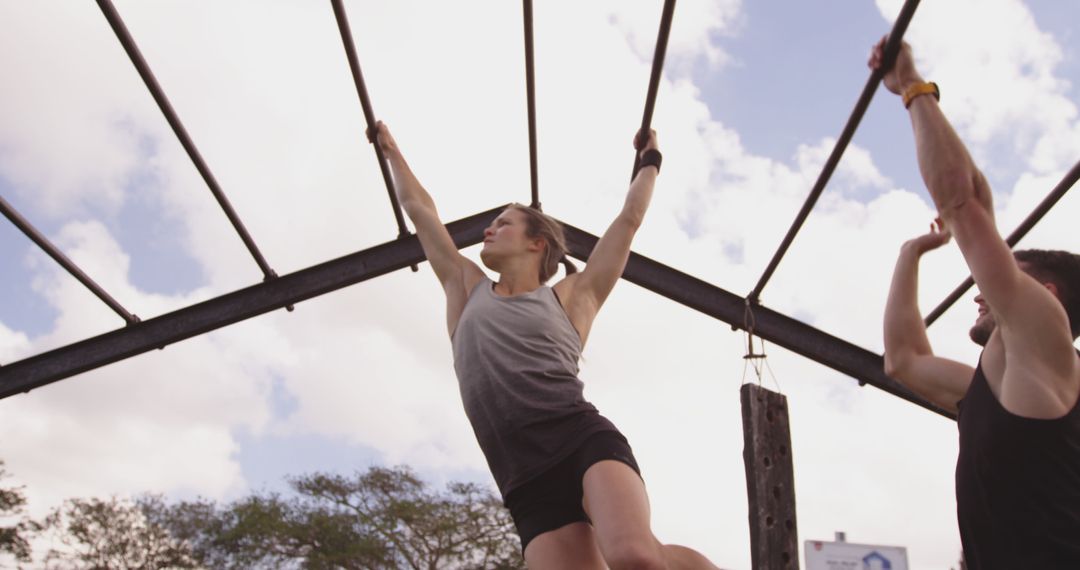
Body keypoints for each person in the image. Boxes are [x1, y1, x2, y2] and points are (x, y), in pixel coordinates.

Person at [370, 121, 718, 569]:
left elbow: (628, 222)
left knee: (634, 556)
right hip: (523, 479)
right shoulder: (465, 288)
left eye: (502, 224)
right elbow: (419, 209)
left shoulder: (572, 296)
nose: (487, 231)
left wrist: (650, 162)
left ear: (537, 243)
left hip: (580, 441)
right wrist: (392, 150)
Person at [874, 37, 1080, 568]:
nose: (977, 290)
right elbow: (903, 360)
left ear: (1048, 296)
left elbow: (964, 204)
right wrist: (909, 253)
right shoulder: (996, 385)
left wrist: (913, 90)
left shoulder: (1044, 344)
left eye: (1006, 278)